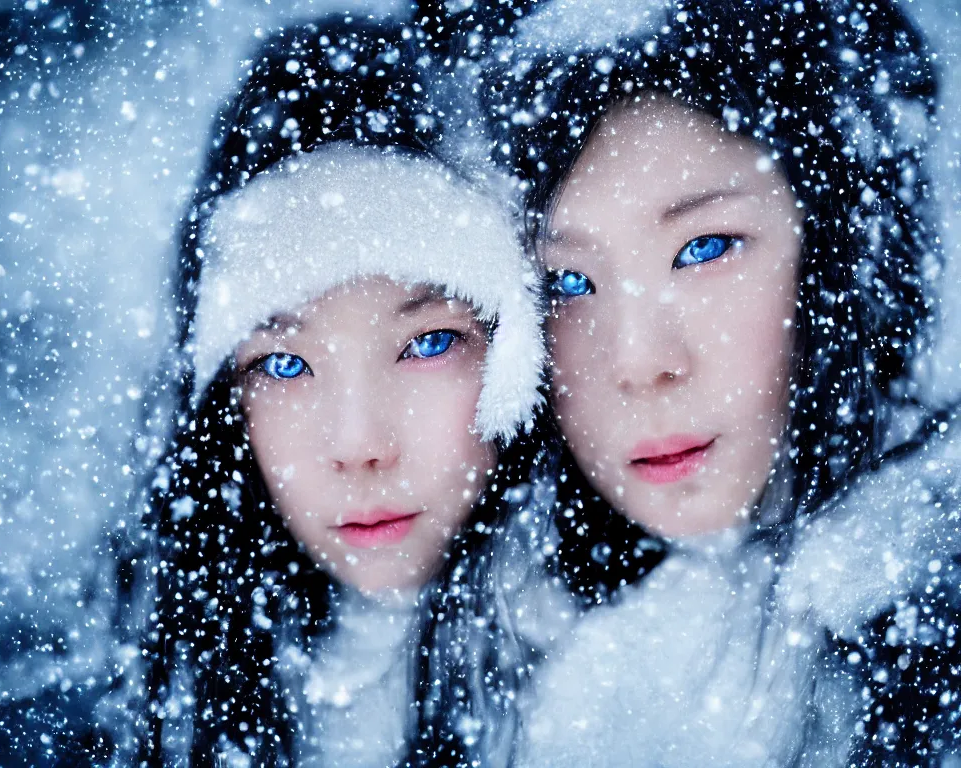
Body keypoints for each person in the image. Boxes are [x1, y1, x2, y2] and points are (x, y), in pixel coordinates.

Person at [404, 0, 961, 766]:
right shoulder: (459, 629)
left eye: (704, 249)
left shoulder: (926, 622)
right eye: (566, 281)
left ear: (833, 246)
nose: (638, 362)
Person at [134, 16, 545, 767]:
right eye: (284, 364)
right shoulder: (133, 705)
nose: (358, 446)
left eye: (427, 343)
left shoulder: (651, 677)